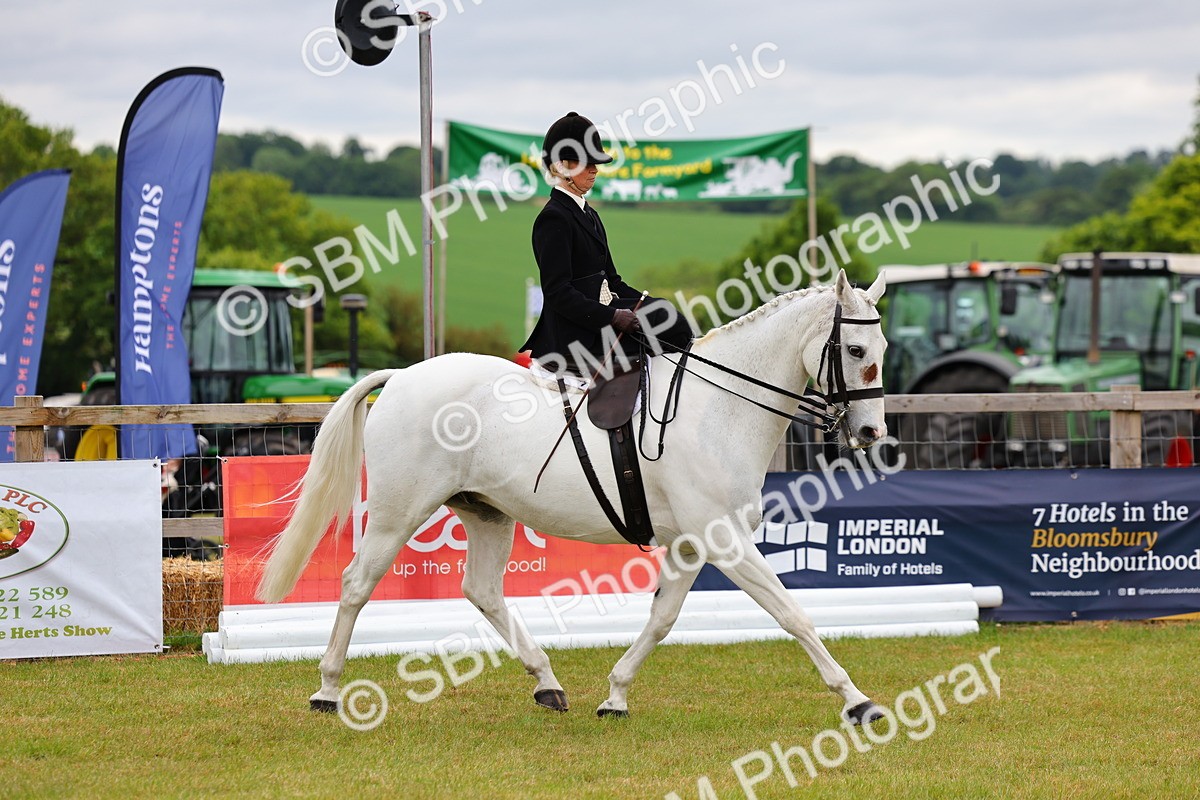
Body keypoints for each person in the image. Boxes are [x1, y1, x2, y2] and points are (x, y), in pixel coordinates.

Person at [520, 112, 693, 376]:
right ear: (563, 167)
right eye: (586, 163)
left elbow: (613, 281)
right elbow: (558, 293)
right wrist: (612, 317)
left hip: (601, 314)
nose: (594, 169)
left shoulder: (589, 214)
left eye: (595, 163)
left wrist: (643, 304)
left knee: (667, 316)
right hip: (574, 331)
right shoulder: (553, 218)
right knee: (664, 321)